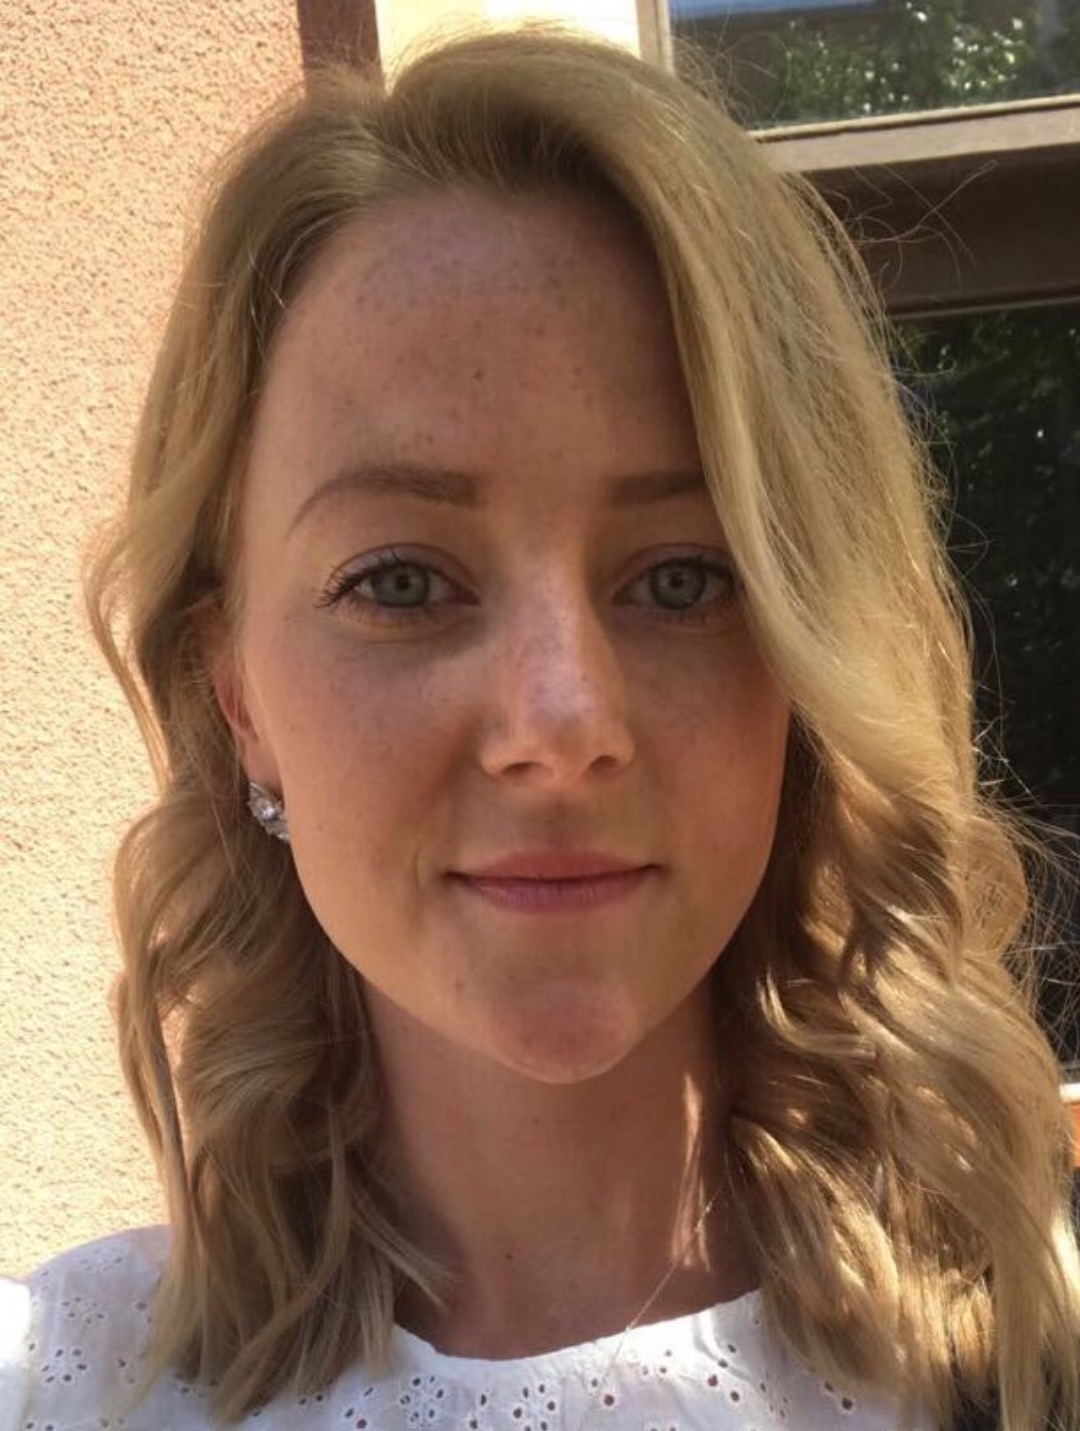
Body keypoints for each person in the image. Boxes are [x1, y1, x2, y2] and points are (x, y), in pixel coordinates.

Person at [1, 24, 1077, 1431]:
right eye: (402, 582)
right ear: (238, 697)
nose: (561, 722)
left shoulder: (1034, 1355)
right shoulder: (60, 1384)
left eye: (684, 579)